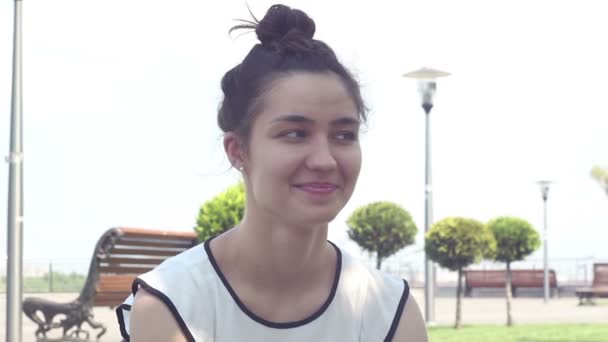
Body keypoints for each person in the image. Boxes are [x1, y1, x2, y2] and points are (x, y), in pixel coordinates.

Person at [116, 4, 427, 341]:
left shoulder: (390, 310)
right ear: (238, 151)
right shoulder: (174, 303)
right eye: (295, 133)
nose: (324, 160)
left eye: (343, 135)